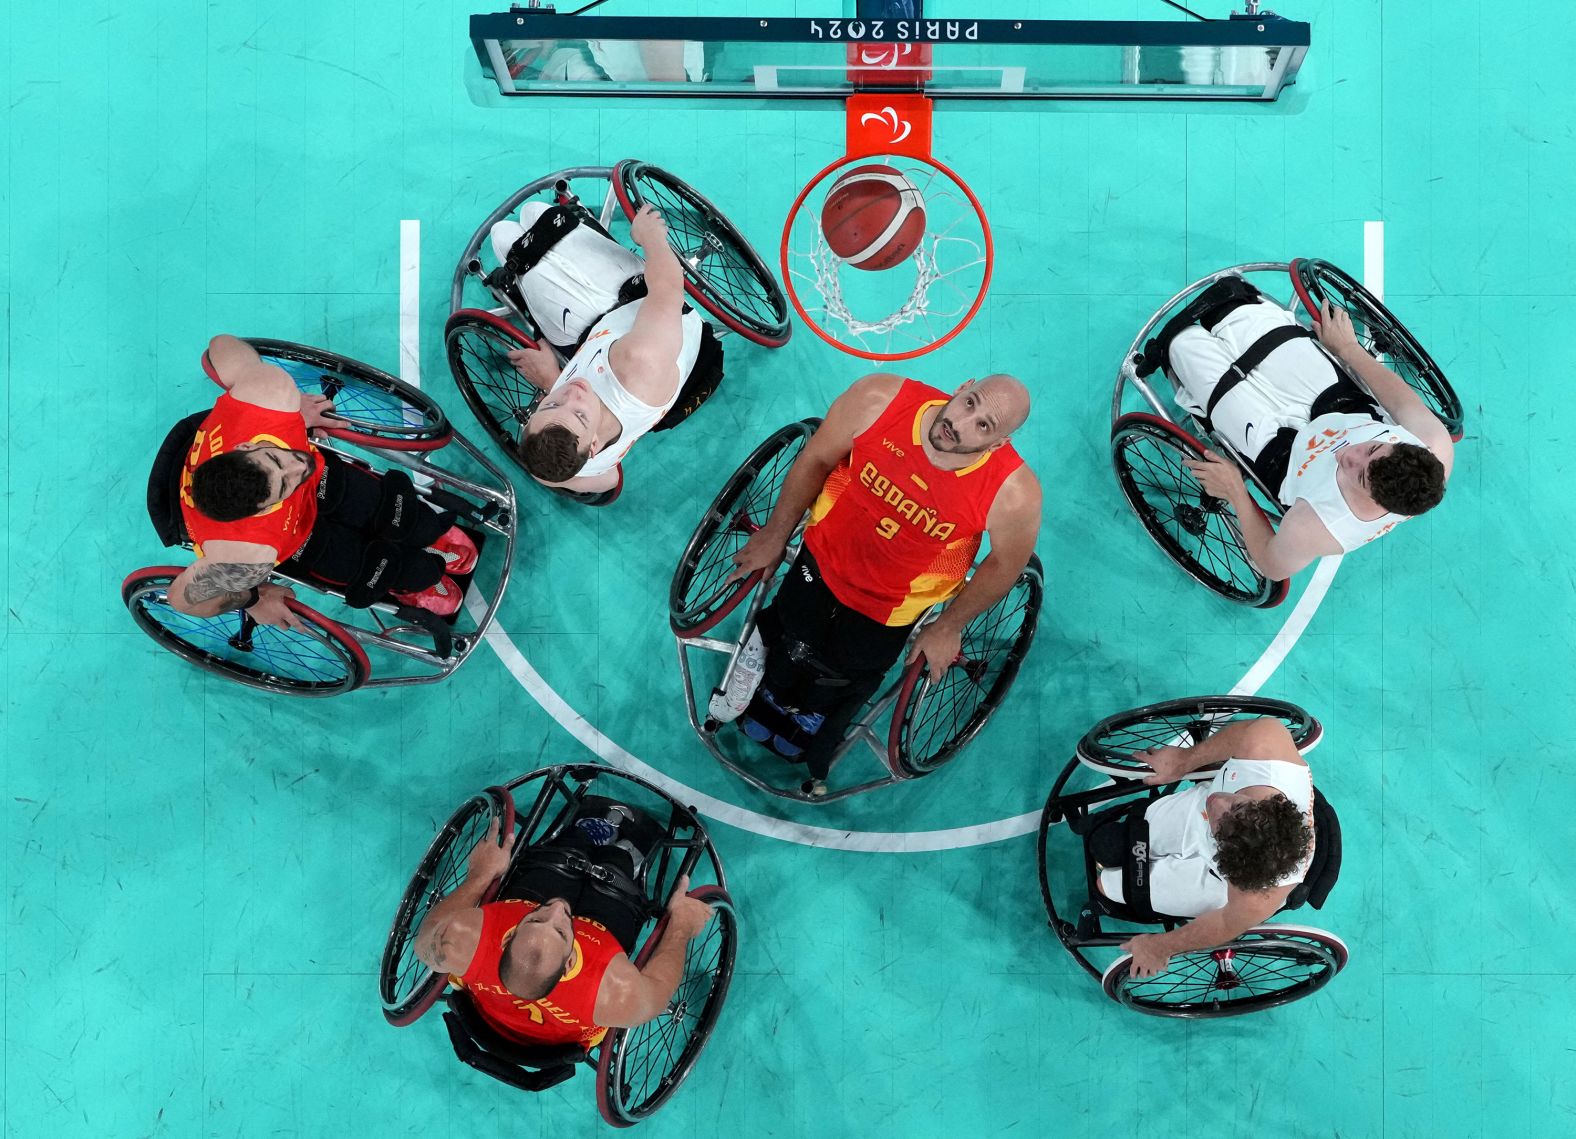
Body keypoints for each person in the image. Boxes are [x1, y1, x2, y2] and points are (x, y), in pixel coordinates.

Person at [725, 372, 1042, 797]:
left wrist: (948, 626)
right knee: (792, 626)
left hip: (892, 605)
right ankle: (767, 662)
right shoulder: (881, 399)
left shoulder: (1013, 492)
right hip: (821, 557)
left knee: (841, 672)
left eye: (984, 425)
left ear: (997, 443)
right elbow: (817, 458)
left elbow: (1005, 565)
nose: (962, 424)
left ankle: (810, 712)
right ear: (962, 385)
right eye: (970, 403)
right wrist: (775, 534)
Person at [169, 335, 475, 626]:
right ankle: (406, 585)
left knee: (404, 514)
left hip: (316, 481)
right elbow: (182, 600)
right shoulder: (244, 553)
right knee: (381, 569)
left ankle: (424, 533)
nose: (296, 468)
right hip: (296, 538)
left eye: (276, 459)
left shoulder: (267, 394)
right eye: (284, 486)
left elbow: (220, 345)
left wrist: (292, 411)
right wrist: (252, 600)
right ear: (261, 511)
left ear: (246, 446)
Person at [1160, 279, 1454, 579]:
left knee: (1180, 342)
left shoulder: (1320, 527)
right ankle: (1234, 315)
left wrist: (1236, 491)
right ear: (1403, 444)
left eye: (1360, 475)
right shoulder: (1432, 444)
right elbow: (1401, 400)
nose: (1349, 455)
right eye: (1373, 448)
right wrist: (1350, 349)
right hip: (1339, 406)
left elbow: (1270, 565)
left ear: (1376, 502)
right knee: (1233, 306)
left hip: (1280, 457)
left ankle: (1183, 351)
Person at [413, 810, 716, 1048]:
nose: (557, 909)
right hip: (595, 951)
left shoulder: (462, 941)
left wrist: (479, 876)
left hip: (494, 1014)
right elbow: (658, 993)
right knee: (615, 870)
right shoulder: (615, 990)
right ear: (571, 959)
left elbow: (423, 940)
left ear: (508, 938)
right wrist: (681, 928)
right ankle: (625, 852)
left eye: (534, 919)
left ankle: (583, 835)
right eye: (560, 931)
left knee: (565, 854)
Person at [488, 202, 720, 494]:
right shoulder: (640, 363)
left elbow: (608, 481)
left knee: (509, 234)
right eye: (580, 414)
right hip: (644, 315)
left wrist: (551, 380)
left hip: (596, 338)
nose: (572, 393)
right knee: (521, 223)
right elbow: (669, 289)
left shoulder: (582, 459)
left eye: (552, 404)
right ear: (594, 445)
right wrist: (651, 237)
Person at [1089, 716, 1316, 979]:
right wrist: (1185, 760)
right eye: (1238, 807)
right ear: (1263, 805)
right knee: (1111, 843)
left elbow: (1223, 924)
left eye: (1222, 828)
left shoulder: (1257, 894)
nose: (1218, 804)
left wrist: (1160, 946)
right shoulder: (1266, 746)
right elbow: (1242, 734)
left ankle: (1224, 835)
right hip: (1198, 817)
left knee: (1106, 886)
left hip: (1215, 877)